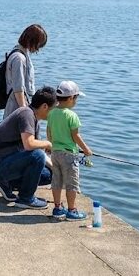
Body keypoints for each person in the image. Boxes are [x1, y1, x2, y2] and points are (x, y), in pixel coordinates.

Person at [0, 88, 58, 208]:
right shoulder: (26, 114)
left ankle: (7, 183)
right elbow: (29, 145)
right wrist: (48, 144)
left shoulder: (32, 117)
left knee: (48, 174)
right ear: (45, 106)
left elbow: (33, 148)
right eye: (53, 109)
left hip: (5, 161)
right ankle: (25, 198)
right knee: (38, 156)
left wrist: (55, 168)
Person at [48, 81, 92, 221]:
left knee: (56, 181)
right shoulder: (72, 116)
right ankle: (72, 210)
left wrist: (52, 146)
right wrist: (86, 149)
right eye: (76, 98)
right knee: (72, 183)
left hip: (55, 152)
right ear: (71, 98)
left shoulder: (52, 113)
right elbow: (75, 136)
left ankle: (57, 208)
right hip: (69, 154)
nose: (76, 101)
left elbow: (49, 132)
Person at [4, 24, 49, 118]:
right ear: (33, 42)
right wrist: (24, 112)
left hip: (17, 105)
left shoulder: (20, 52)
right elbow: (18, 88)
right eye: (38, 45)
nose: (38, 49)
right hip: (16, 107)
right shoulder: (19, 58)